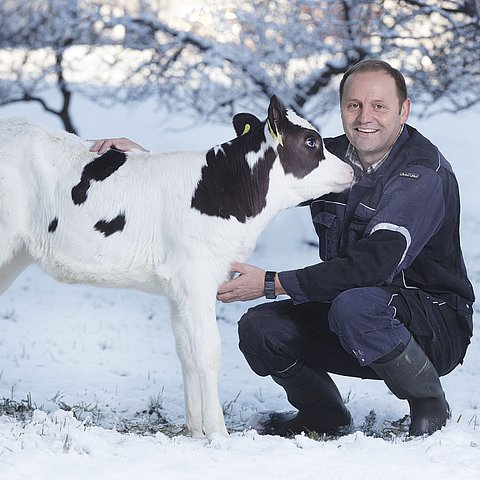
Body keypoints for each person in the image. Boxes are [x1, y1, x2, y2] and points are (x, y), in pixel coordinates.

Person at [90, 60, 475, 438]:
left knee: (355, 306)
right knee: (262, 329)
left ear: (403, 110)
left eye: (379, 106)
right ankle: (323, 415)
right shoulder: (332, 158)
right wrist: (147, 163)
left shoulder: (421, 173)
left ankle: (427, 402)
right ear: (341, 108)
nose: (364, 117)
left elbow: (374, 265)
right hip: (354, 311)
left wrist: (273, 282)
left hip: (432, 323)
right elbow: (238, 182)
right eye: (353, 105)